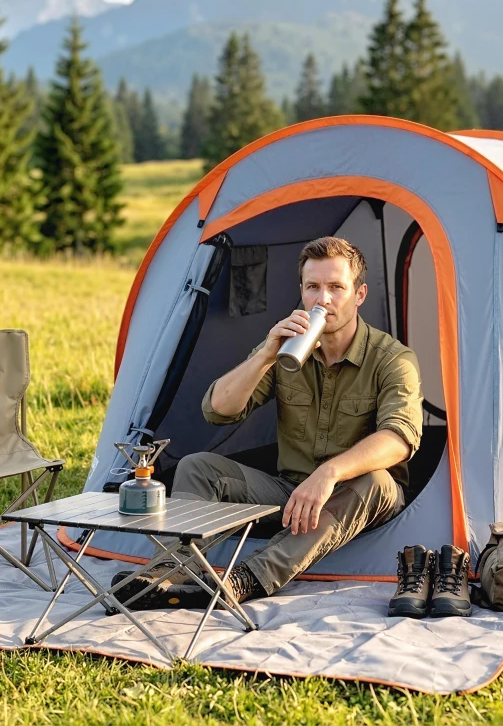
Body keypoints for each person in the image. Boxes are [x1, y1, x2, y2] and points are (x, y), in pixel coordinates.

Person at [113, 236, 423, 609]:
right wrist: (265, 356)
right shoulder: (287, 347)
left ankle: (245, 579)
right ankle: (170, 571)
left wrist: (329, 474)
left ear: (359, 295)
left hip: (360, 497)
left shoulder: (393, 359)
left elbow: (400, 437)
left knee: (376, 481)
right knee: (197, 466)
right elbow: (218, 409)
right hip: (291, 492)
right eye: (313, 287)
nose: (323, 299)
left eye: (336, 287)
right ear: (302, 292)